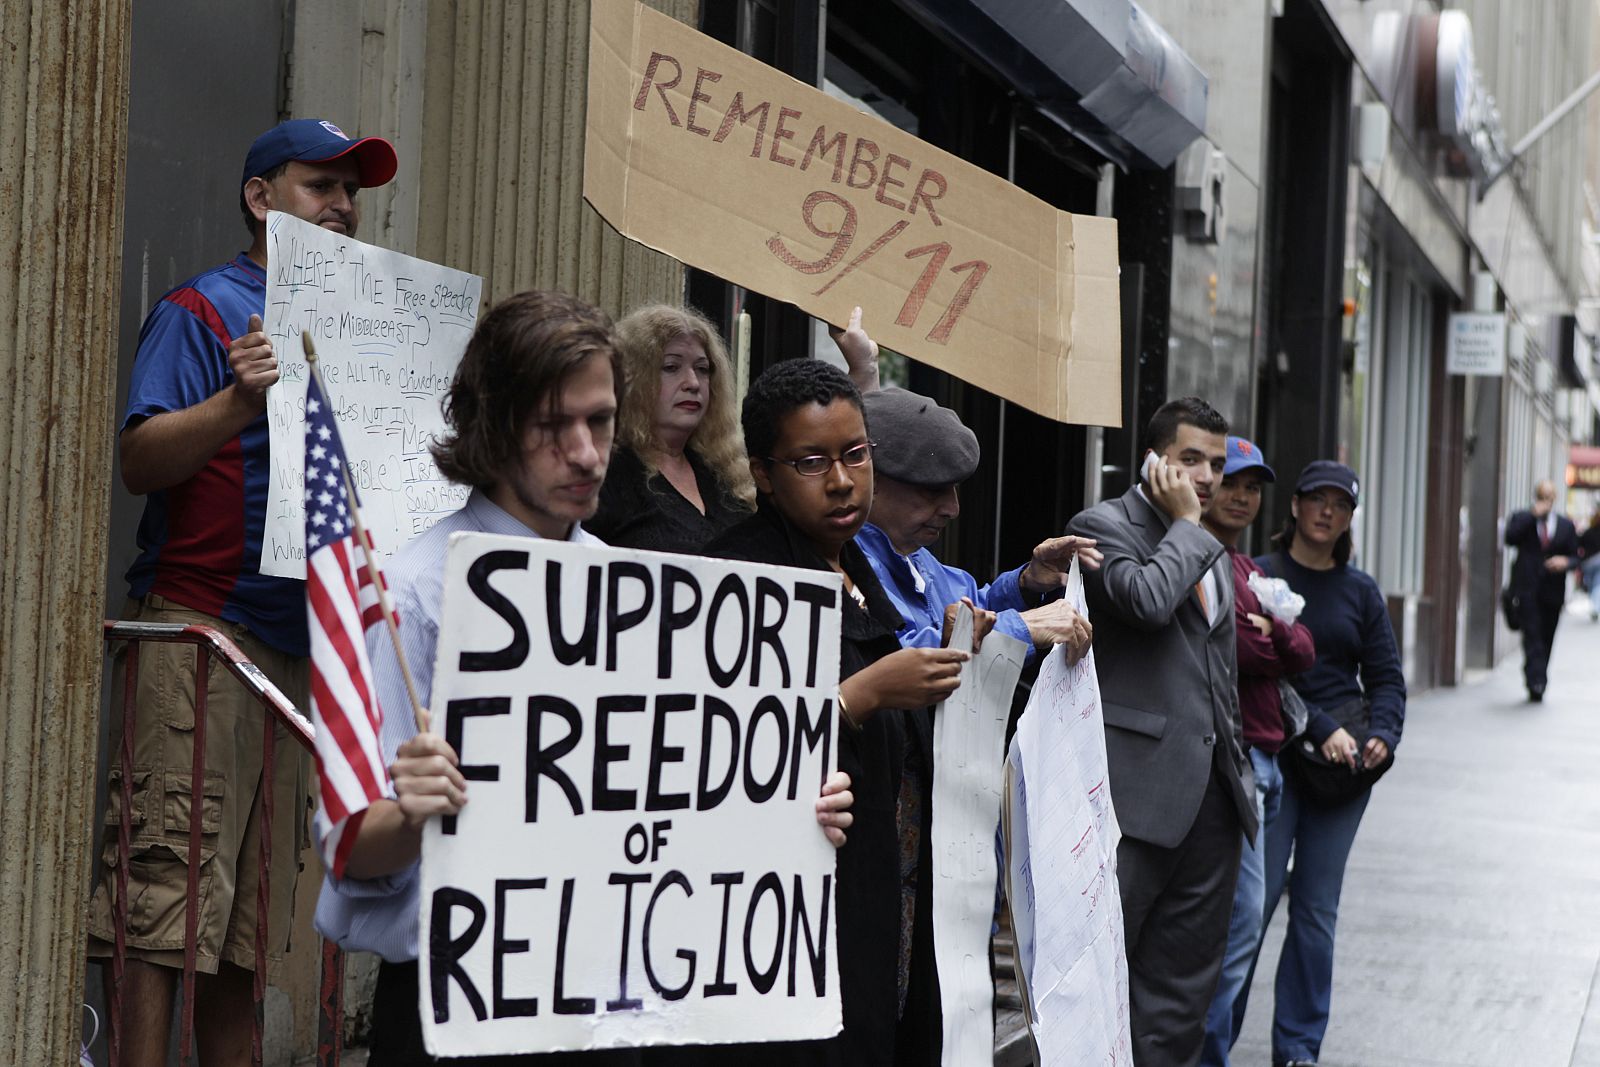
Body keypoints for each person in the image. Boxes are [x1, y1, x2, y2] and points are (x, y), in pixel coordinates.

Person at [313, 292, 855, 1066]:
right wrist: (411, 812)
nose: (585, 452)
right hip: (461, 1014)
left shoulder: (637, 596)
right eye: (551, 426)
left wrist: (786, 811)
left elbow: (677, 797)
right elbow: (350, 846)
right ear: (494, 427)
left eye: (599, 421)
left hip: (610, 1014)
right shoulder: (416, 593)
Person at [86, 118, 398, 1067]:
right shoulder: (205, 308)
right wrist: (234, 401)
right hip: (200, 638)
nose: (343, 206)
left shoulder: (364, 326)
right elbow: (139, 459)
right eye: (320, 185)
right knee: (160, 898)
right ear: (261, 198)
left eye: (352, 191)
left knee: (244, 936)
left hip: (294, 657)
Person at [699, 358, 971, 1066]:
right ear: (762, 473)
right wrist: (865, 693)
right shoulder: (738, 577)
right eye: (811, 462)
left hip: (890, 894)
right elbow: (720, 753)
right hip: (797, 926)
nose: (843, 480)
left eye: (855, 455)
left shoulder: (857, 565)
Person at [1064, 396, 1257, 1067]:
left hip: (1212, 802)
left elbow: (1218, 673)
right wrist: (1186, 525)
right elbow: (1145, 602)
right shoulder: (1103, 525)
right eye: (1190, 460)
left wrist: (1241, 777)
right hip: (1130, 798)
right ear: (1154, 459)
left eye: (1216, 462)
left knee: (1182, 995)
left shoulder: (1208, 542)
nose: (1206, 476)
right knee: (1100, 973)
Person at [1240, 459, 1404, 1067]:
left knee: (1316, 912)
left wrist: (1384, 733)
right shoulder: (1260, 574)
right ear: (1295, 507)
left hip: (1341, 776)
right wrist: (1323, 725)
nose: (1326, 511)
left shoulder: (1360, 592)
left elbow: (1387, 679)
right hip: (1274, 756)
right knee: (1249, 911)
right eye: (1316, 499)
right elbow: (1259, 667)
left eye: (1340, 503)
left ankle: (1298, 1048)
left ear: (1349, 520)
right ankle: (1214, 1041)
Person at [1197, 438, 1315, 1067]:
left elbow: (1301, 649)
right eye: (1230, 480)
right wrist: (1270, 636)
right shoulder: (1204, 560)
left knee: (1244, 928)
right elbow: (1240, 652)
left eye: (1250, 486)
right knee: (1237, 927)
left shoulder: (1248, 570)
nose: (1240, 495)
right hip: (1232, 762)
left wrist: (1278, 634)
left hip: (1265, 763)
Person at [854, 385, 1099, 664]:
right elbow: (887, 664)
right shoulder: (846, 568)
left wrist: (1025, 585)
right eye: (932, 490)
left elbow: (976, 611)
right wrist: (1024, 627)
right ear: (872, 480)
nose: (953, 509)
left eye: (955, 489)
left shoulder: (917, 558)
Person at [587, 304, 754, 551]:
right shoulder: (605, 471)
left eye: (702, 369)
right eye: (671, 367)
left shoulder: (725, 474)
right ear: (632, 378)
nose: (693, 383)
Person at [1505, 480, 1579, 700]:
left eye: (1549, 497)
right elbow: (1510, 537)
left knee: (1546, 637)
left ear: (1554, 499)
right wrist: (1533, 515)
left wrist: (1565, 562)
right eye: (1541, 497)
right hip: (1527, 590)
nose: (1545, 502)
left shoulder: (1566, 525)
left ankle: (1538, 675)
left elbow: (1576, 556)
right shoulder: (1522, 518)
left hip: (1552, 592)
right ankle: (1536, 681)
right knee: (1532, 635)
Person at [1578, 512, 1600, 621]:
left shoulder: (1588, 532)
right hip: (1593, 562)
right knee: (1596, 585)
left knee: (1594, 585)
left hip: (1588, 563)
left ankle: (1595, 606)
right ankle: (1595, 606)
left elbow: (1579, 544)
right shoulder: (1589, 532)